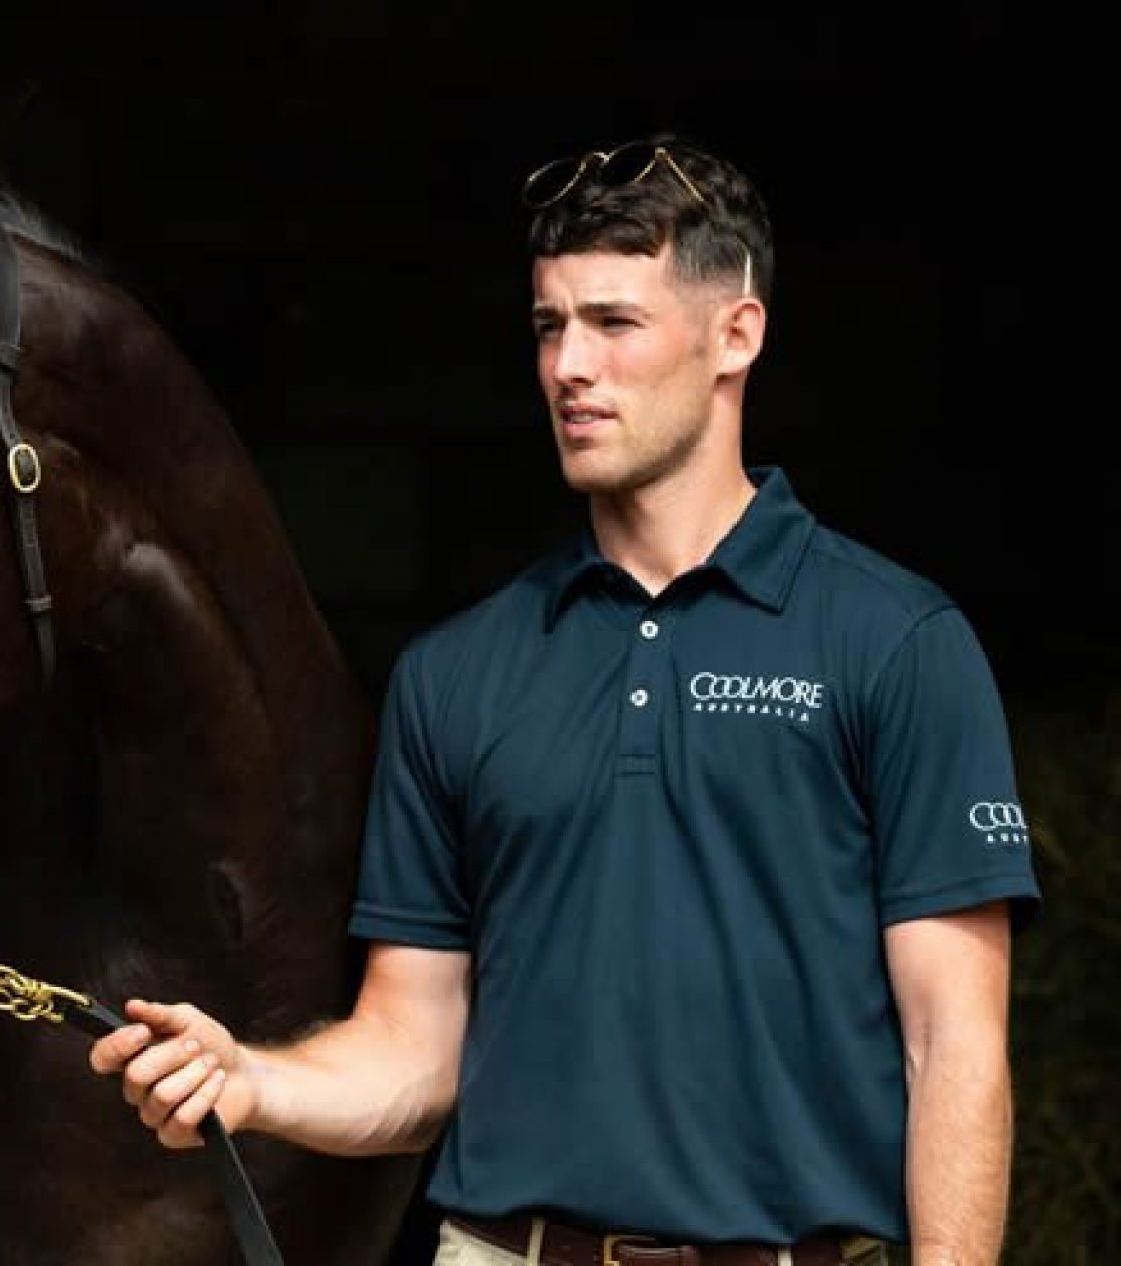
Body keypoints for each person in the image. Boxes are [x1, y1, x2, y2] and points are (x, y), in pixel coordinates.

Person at [89, 135, 1040, 1266]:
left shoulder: (898, 643)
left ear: (736, 335)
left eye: (614, 322)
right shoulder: (459, 672)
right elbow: (418, 1043)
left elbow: (956, 1045)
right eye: (549, 326)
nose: (567, 367)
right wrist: (256, 1078)